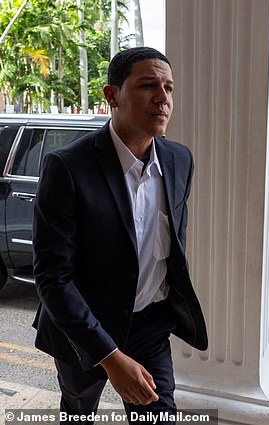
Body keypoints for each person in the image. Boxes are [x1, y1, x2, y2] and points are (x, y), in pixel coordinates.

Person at [32, 47, 208, 424]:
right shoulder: (67, 167)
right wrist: (109, 357)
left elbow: (173, 242)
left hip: (149, 326)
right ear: (112, 95)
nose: (163, 98)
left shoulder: (179, 160)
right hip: (82, 326)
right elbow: (52, 277)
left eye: (169, 87)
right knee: (78, 410)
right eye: (148, 85)